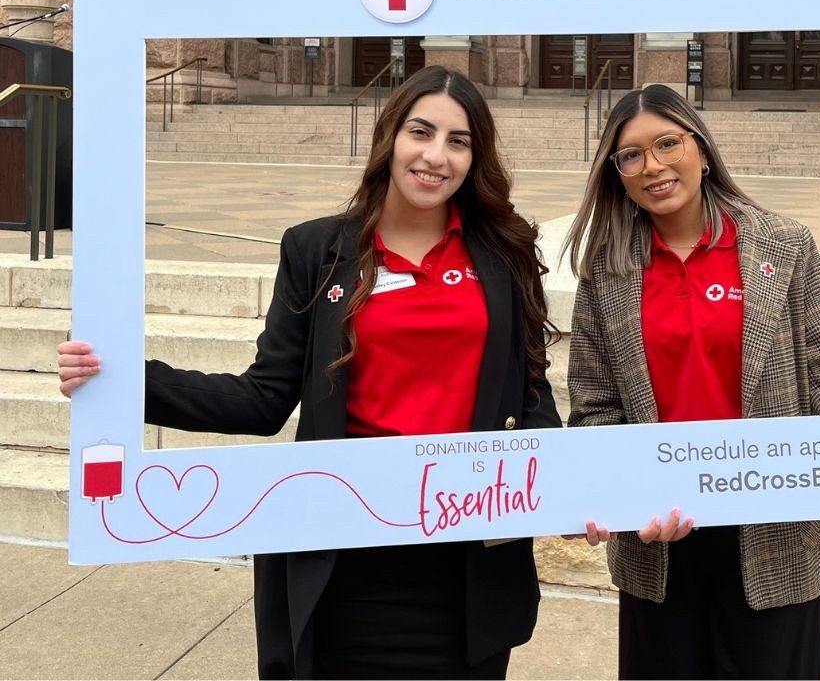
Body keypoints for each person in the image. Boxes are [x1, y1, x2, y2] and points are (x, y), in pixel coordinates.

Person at [58, 65, 562, 681]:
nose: (436, 156)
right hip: (342, 556)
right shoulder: (316, 250)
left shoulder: (505, 255)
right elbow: (263, 398)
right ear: (389, 138)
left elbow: (532, 392)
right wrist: (125, 382)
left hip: (465, 564)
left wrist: (570, 488)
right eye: (420, 133)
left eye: (459, 141)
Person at [563, 84, 820, 681]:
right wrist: (617, 497)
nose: (653, 166)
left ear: (701, 149)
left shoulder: (783, 247)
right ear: (617, 173)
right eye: (631, 155)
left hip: (778, 541)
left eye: (667, 144)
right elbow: (596, 407)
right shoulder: (607, 268)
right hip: (656, 546)